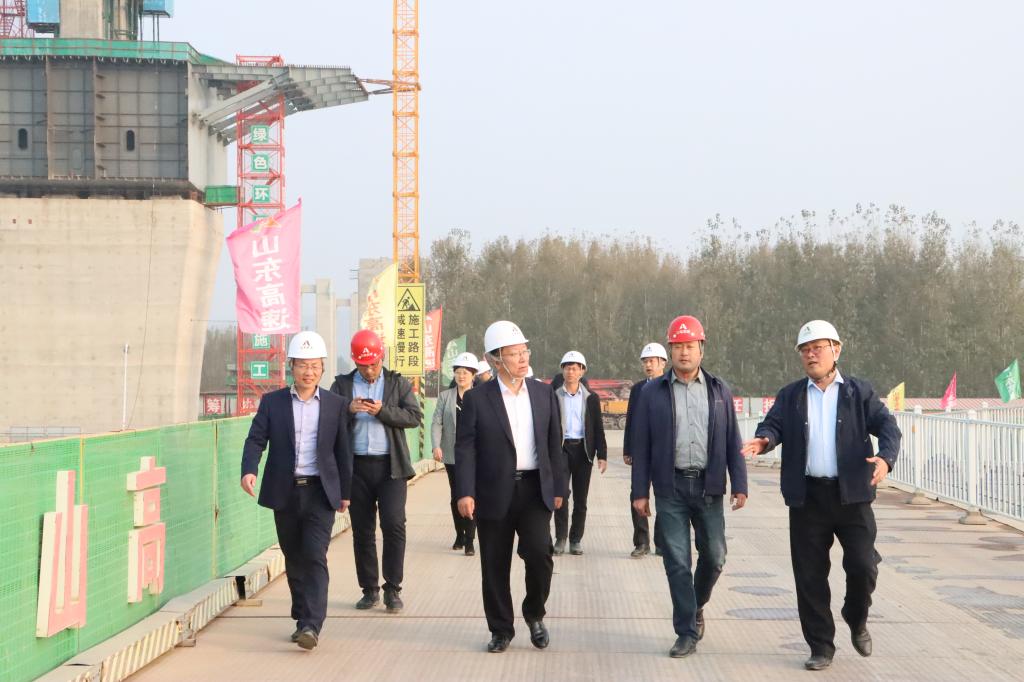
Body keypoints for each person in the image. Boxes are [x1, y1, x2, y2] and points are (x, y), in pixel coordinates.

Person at [741, 320, 901, 671]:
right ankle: (821, 646)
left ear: (836, 350)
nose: (811, 355)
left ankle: (856, 616)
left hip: (852, 495)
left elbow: (888, 426)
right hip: (808, 498)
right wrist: (764, 439)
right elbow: (773, 425)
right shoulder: (791, 395)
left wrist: (886, 459)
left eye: (817, 348)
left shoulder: (859, 392)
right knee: (810, 576)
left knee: (863, 565)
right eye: (805, 350)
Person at [631, 315, 748, 659]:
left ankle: (695, 605)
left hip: (709, 487)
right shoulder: (652, 393)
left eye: (690, 346)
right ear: (671, 350)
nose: (684, 352)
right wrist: (639, 492)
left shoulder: (718, 390)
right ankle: (686, 631)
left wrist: (739, 482)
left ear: (702, 349)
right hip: (671, 488)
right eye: (678, 346)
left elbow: (732, 439)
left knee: (715, 556)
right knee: (678, 561)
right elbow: (641, 445)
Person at [455, 320, 566, 653]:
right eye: (514, 353)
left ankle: (535, 614)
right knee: (494, 563)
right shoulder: (477, 399)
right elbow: (465, 448)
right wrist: (465, 491)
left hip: (534, 490)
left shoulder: (543, 393)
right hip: (492, 491)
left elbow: (554, 444)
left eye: (524, 351)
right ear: (495, 359)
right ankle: (501, 629)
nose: (523, 358)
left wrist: (559, 488)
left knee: (540, 554)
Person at [241, 331, 352, 651]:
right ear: (291, 366)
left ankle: (311, 624)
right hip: (285, 491)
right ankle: (302, 616)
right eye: (303, 365)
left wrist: (344, 492)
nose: (309, 372)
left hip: (320, 492)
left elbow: (343, 451)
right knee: (294, 557)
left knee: (315, 555)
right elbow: (256, 439)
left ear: (322, 369)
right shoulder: (273, 403)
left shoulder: (335, 405)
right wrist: (249, 469)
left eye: (315, 366)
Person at [330, 329, 422, 613]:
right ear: (355, 362)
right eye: (363, 366)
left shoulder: (397, 384)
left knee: (394, 524)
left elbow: (414, 417)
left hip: (390, 467)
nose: (369, 371)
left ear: (381, 358)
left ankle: (392, 588)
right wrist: (348, 409)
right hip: (356, 467)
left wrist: (382, 411)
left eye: (373, 365)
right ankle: (369, 589)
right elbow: (328, 419)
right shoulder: (342, 386)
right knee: (362, 530)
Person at [552, 350, 607, 555]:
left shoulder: (591, 398)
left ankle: (575, 539)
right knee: (561, 495)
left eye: (575, 368)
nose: (571, 372)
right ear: (562, 370)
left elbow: (598, 427)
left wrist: (602, 455)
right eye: (567, 368)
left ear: (582, 371)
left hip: (584, 451)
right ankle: (560, 538)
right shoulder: (554, 396)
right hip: (562, 450)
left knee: (581, 500)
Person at [623, 341, 668, 557]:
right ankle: (641, 542)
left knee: (664, 497)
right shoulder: (638, 389)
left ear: (663, 363)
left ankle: (661, 542)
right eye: (645, 362)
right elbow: (630, 419)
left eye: (652, 361)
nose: (648, 365)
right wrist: (628, 449)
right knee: (638, 495)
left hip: (664, 451)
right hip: (641, 451)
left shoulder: (670, 387)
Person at [432, 351, 479, 556]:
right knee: (456, 495)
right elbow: (437, 422)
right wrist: (436, 445)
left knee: (470, 494)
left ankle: (470, 540)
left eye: (465, 372)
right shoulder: (445, 396)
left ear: (473, 375)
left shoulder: (480, 396)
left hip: (475, 454)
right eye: (458, 372)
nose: (461, 376)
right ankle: (459, 534)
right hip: (452, 452)